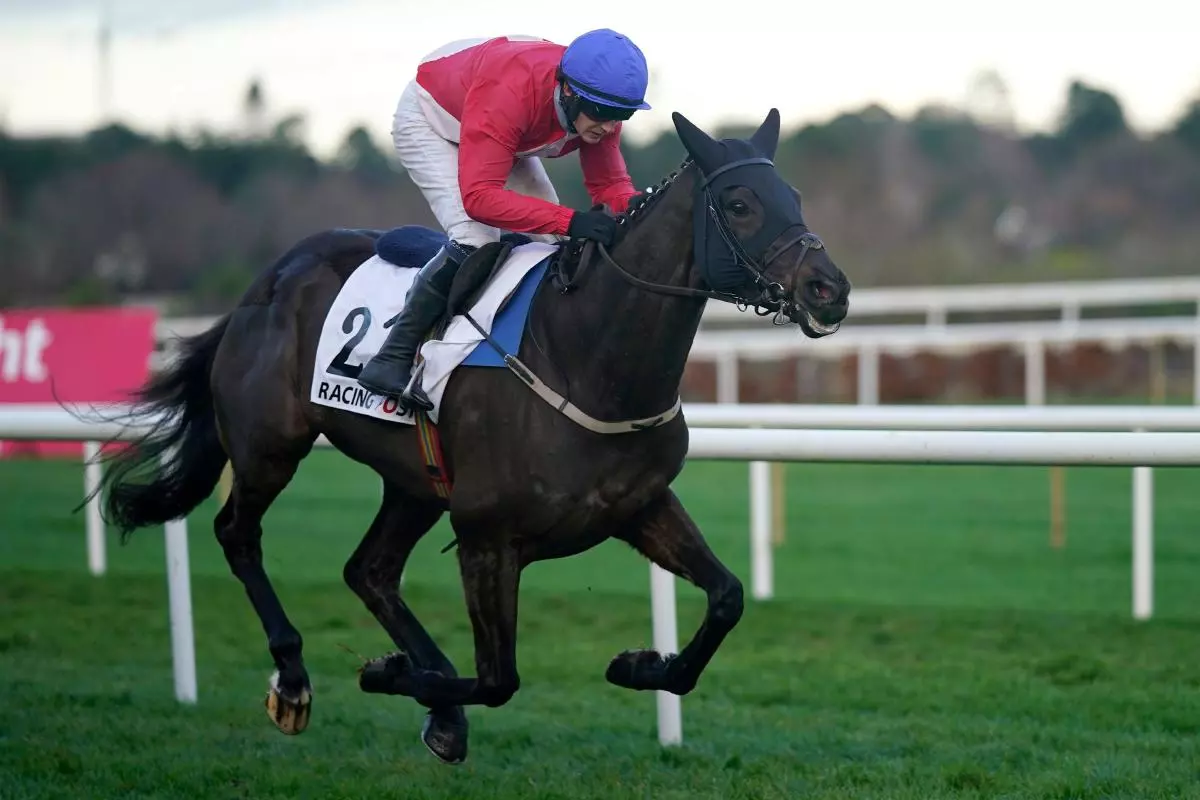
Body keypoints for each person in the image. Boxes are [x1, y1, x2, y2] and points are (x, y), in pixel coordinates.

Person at [355, 29, 652, 408]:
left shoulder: (598, 101)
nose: (611, 127)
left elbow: (609, 184)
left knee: (553, 246)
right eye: (604, 115)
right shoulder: (512, 94)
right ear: (569, 92)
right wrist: (571, 220)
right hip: (434, 120)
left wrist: (645, 208)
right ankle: (392, 356)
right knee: (477, 237)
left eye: (622, 116)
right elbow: (479, 199)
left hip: (501, 127)